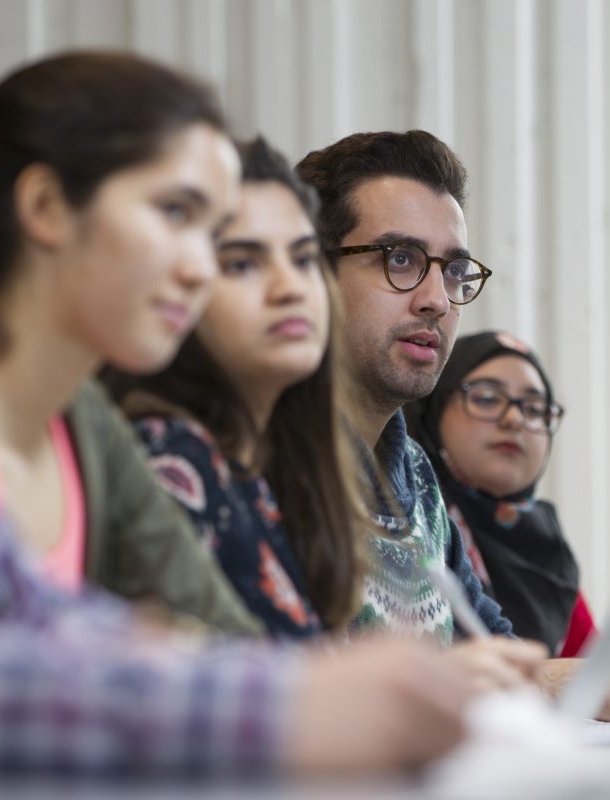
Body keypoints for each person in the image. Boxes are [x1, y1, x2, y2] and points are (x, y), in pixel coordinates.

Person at [0, 1, 471, 775]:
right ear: (47, 208)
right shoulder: (157, 445)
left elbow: (39, 616)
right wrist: (265, 706)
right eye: (181, 217)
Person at [297, 130, 610, 721]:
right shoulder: (265, 457)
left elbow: (488, 646)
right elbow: (294, 684)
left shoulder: (413, 476)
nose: (437, 300)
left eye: (454, 270)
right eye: (400, 259)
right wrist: (580, 684)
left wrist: (591, 679)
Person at [0, 51, 262, 635]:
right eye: (175, 211)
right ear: (47, 207)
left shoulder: (84, 420)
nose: (203, 270)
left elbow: (225, 639)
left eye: (216, 235)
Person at [102, 136, 366, 638]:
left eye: (304, 258)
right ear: (182, 281)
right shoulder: (172, 456)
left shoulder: (275, 467)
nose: (289, 287)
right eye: (243, 263)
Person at [404, 330, 595, 657]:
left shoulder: (545, 554)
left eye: (534, 408)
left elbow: (597, 680)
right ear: (433, 412)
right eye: (487, 398)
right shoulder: (405, 526)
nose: (514, 419)